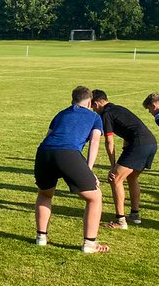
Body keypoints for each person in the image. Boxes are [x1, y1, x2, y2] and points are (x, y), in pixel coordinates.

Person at [34, 86, 109, 254]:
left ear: (72, 100)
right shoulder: (94, 117)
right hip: (67, 154)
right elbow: (95, 143)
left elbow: (49, 135)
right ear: (90, 102)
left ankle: (41, 238)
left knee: (45, 193)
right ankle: (90, 244)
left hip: (44, 153)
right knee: (95, 197)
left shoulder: (61, 114)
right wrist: (89, 169)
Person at [90, 89, 157, 229]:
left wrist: (113, 165)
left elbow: (109, 141)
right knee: (132, 178)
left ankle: (120, 221)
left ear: (96, 104)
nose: (93, 110)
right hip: (151, 143)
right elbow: (130, 129)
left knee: (115, 179)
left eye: (92, 107)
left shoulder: (105, 114)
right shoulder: (118, 108)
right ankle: (134, 214)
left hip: (139, 145)